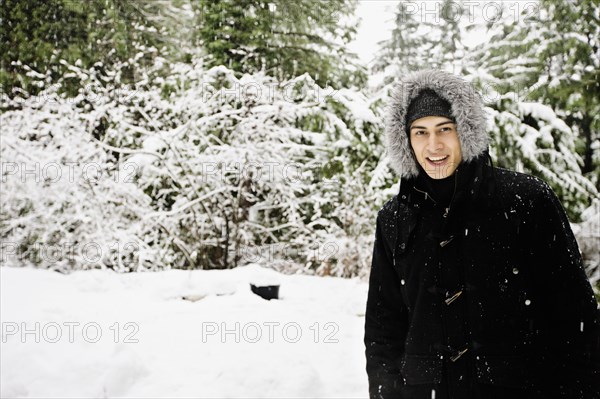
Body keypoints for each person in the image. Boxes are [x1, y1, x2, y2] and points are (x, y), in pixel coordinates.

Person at [364, 69, 600, 399]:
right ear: (406, 140)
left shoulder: (527, 201)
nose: (434, 145)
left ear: (467, 131)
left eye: (445, 129)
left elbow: (575, 318)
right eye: (420, 132)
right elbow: (383, 328)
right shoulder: (393, 219)